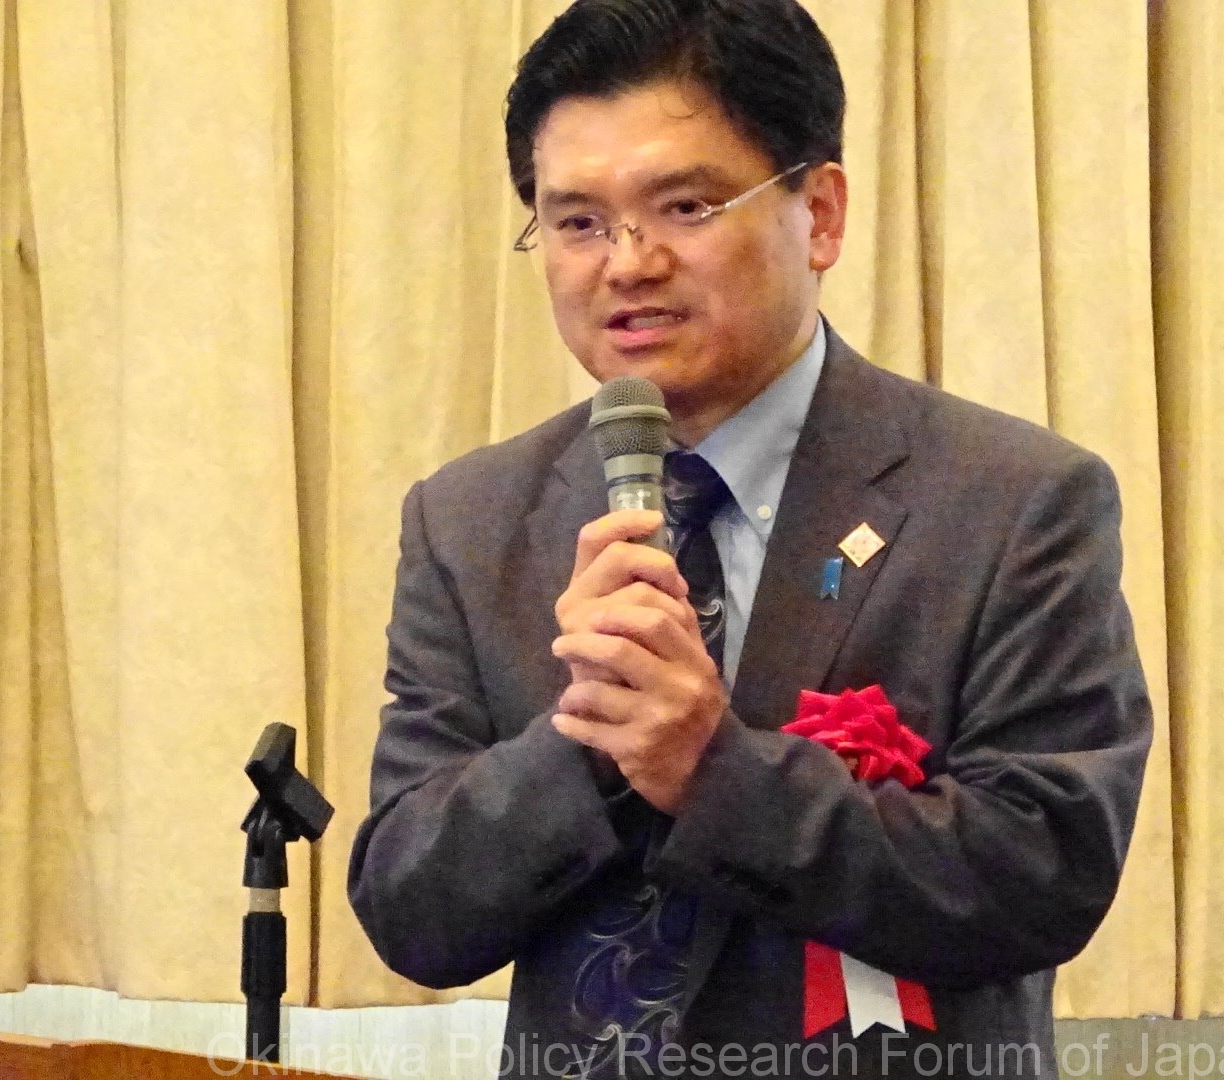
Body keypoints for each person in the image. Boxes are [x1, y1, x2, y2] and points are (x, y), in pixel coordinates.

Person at [347, 1, 1152, 1076]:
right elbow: (412, 912)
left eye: (684, 206)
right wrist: (585, 741)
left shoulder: (1012, 502)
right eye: (577, 221)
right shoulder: (472, 519)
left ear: (819, 214)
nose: (627, 264)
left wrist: (712, 768)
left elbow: (1043, 875)